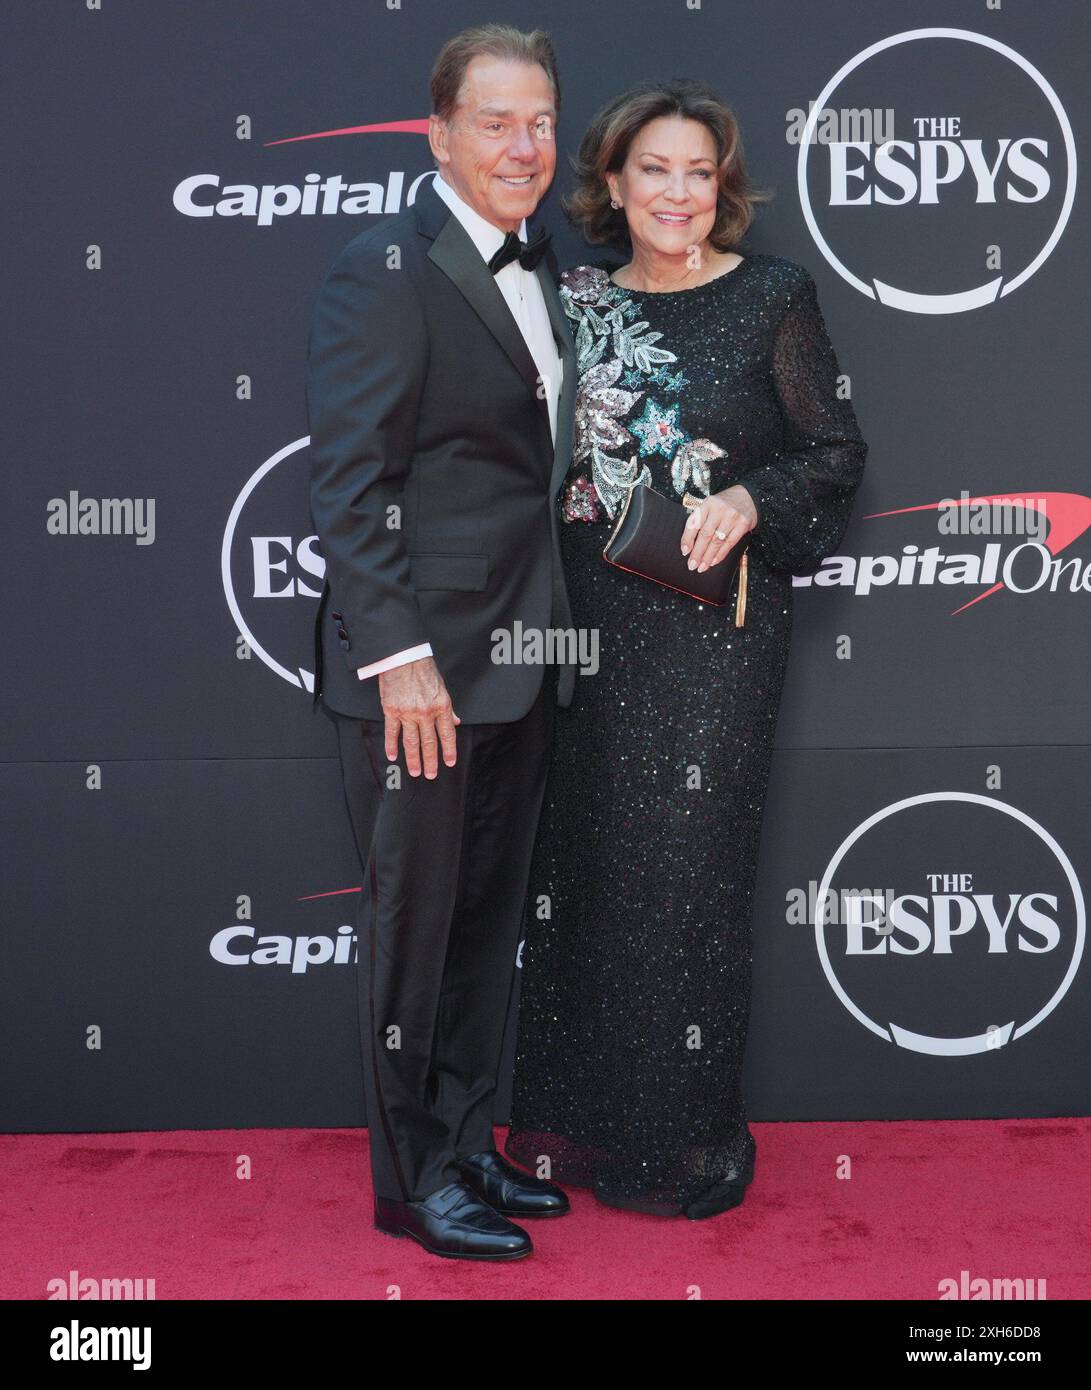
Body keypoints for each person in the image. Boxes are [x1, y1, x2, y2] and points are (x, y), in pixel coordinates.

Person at [506, 79, 869, 1218]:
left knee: (688, 883)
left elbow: (833, 449)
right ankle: (574, 1131)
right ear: (611, 184)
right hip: (581, 626)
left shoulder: (772, 297)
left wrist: (753, 503)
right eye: (651, 170)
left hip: (713, 633)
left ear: (723, 187)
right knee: (584, 875)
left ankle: (682, 1144)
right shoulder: (569, 302)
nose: (675, 193)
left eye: (696, 172)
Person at [306, 24, 578, 1260]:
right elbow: (349, 485)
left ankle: (467, 1141)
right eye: (494, 122)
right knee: (415, 934)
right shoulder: (384, 268)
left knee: (483, 921)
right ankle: (412, 1182)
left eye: (539, 122)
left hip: (522, 658)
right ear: (438, 134)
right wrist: (397, 654)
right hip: (417, 676)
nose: (523, 147)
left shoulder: (550, 262)